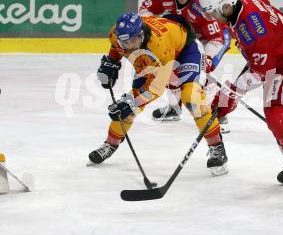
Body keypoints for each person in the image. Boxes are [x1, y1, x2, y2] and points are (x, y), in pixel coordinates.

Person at [199, 0, 283, 210]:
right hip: (281, 60)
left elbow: (263, 70)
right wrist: (232, 92)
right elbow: (262, 58)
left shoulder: (252, 27)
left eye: (213, 12)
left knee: (279, 116)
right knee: (276, 119)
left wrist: (230, 95)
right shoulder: (239, 1)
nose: (211, 18)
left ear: (226, 6)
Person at [88, 13, 229, 176]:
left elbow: (155, 89)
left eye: (133, 41)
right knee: (129, 105)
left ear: (142, 34)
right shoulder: (116, 34)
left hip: (185, 51)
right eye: (124, 42)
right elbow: (116, 48)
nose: (129, 46)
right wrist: (112, 62)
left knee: (192, 97)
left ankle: (217, 147)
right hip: (152, 58)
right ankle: (110, 144)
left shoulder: (159, 46)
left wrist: (132, 102)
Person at [138, 0, 232, 133]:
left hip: (210, 39)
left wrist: (208, 59)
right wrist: (156, 25)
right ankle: (174, 108)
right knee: (170, 67)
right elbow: (144, 10)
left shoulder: (201, 3)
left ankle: (216, 113)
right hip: (183, 40)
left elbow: (217, 38)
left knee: (202, 76)